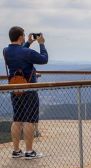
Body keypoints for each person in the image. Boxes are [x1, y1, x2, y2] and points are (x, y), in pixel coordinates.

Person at [3, 26, 48, 159]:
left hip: (15, 89)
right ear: (21, 37)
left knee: (17, 119)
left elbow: (19, 54)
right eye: (23, 36)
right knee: (29, 120)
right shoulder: (26, 52)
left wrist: (28, 43)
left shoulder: (6, 51)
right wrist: (41, 44)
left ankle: (16, 151)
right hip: (29, 89)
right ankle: (29, 151)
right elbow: (44, 59)